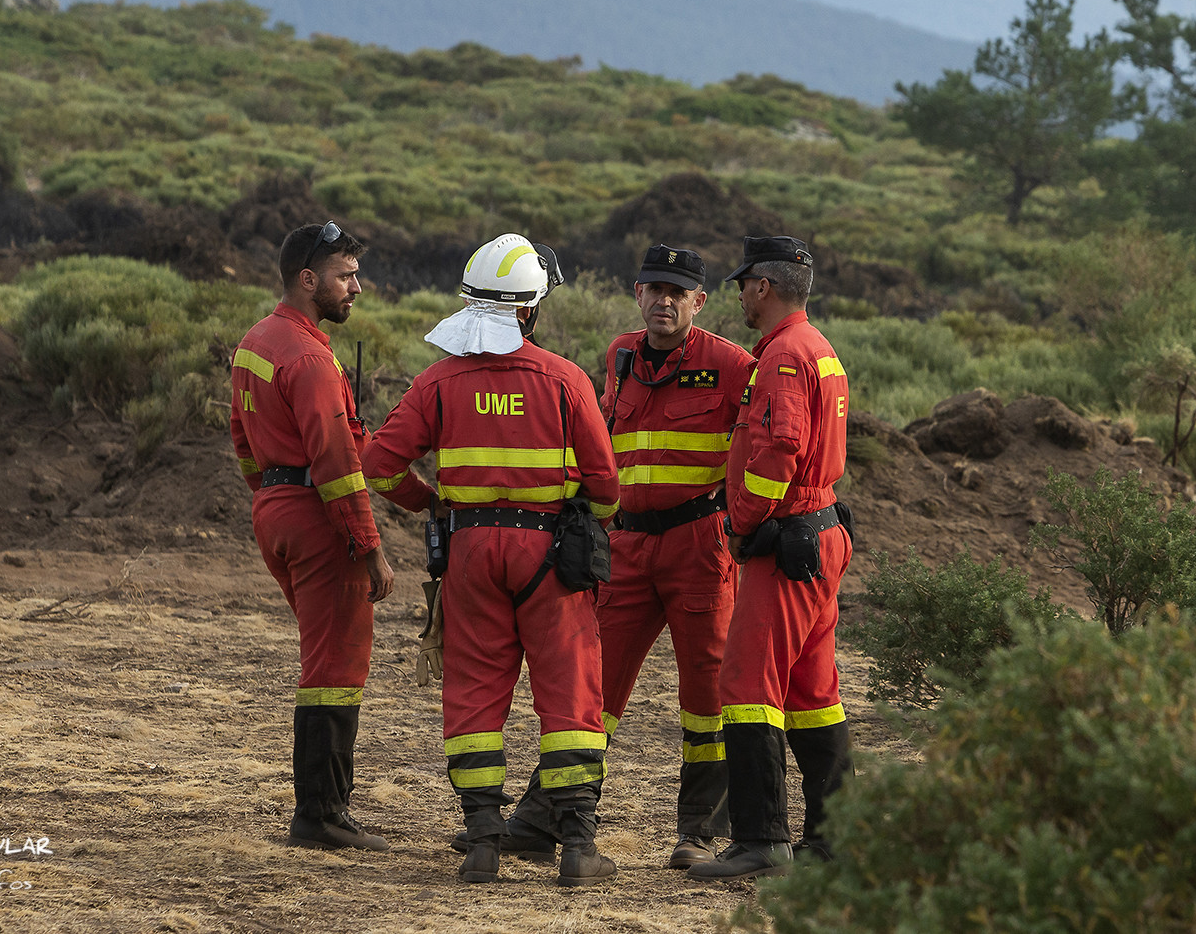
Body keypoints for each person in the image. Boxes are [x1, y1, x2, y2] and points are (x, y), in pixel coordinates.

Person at [361, 233, 623, 887]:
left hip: (470, 552)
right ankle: (578, 848)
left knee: (474, 695)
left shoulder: (439, 379)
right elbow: (608, 486)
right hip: (551, 555)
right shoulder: (564, 379)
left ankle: (482, 841)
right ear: (529, 309)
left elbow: (378, 464)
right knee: (569, 696)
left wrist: (432, 503)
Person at [505, 244, 754, 869]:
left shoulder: (733, 365)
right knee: (592, 685)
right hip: (626, 545)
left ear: (699, 302)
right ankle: (544, 818)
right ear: (636, 292)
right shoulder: (618, 354)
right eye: (654, 289)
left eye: (678, 292)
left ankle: (699, 832)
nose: (664, 301)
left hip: (701, 545)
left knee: (706, 694)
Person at [688, 235, 854, 881]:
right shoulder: (818, 349)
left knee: (749, 686)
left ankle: (760, 838)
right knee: (814, 691)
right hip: (818, 537)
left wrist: (742, 521)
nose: (738, 294)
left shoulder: (784, 356)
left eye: (742, 282)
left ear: (764, 284)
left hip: (786, 542)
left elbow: (782, 448)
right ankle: (832, 839)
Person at [229, 220, 397, 852]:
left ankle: (324, 810)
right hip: (315, 519)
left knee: (323, 656)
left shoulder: (256, 341)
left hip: (276, 512)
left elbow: (242, 442)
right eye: (345, 276)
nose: (357, 286)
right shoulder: (309, 358)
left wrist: (269, 498)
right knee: (335, 665)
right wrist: (371, 547)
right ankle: (321, 814)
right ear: (309, 280)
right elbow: (336, 465)